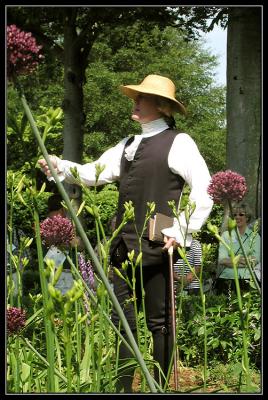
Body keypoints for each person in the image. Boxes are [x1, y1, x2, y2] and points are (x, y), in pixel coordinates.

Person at [38, 74, 213, 391]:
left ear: (160, 106)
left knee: (160, 322)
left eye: (141, 98)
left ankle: (158, 386)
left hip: (159, 245)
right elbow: (92, 172)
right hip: (121, 247)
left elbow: (205, 190)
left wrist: (182, 231)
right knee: (122, 319)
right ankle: (122, 388)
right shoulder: (127, 145)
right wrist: (59, 165)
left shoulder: (180, 143)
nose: (134, 101)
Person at [216, 202, 261, 294]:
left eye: (241, 214)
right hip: (226, 278)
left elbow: (255, 260)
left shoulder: (255, 237)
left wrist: (232, 261)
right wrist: (242, 260)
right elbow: (222, 260)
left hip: (248, 279)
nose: (237, 217)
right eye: (235, 215)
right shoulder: (225, 235)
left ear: (247, 217)